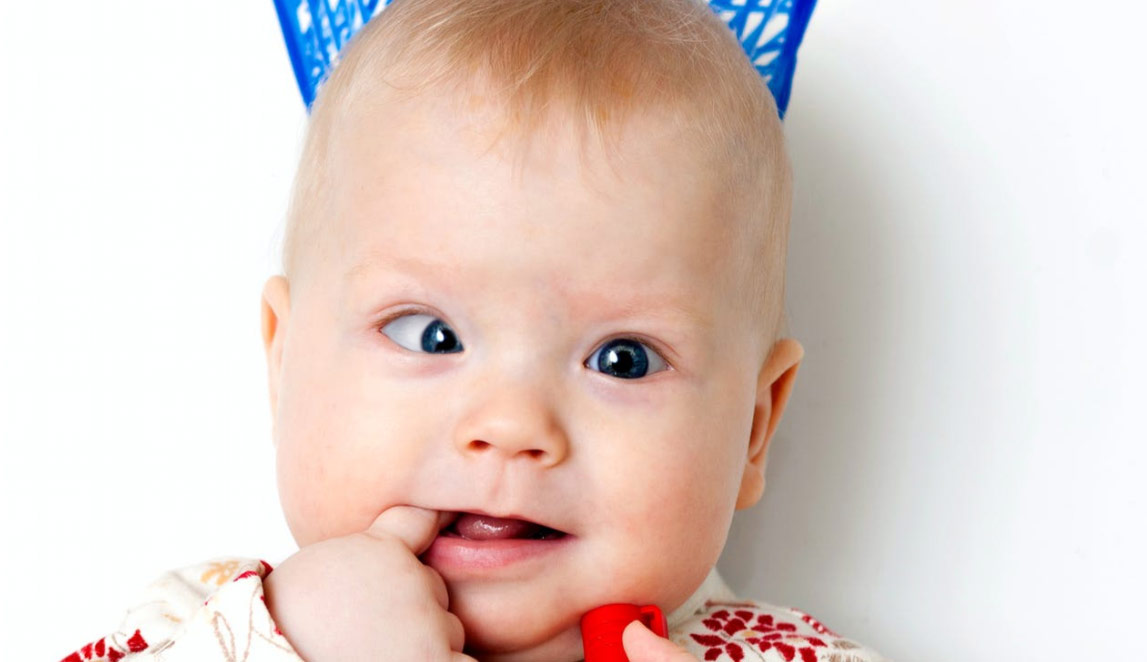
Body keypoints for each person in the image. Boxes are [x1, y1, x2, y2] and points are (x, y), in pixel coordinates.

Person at [59, 0, 887, 660]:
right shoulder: (206, 629)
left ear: (753, 427)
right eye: (429, 335)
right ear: (284, 365)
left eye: (622, 359)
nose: (510, 425)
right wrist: (292, 647)